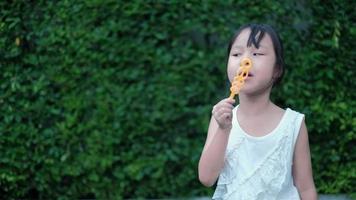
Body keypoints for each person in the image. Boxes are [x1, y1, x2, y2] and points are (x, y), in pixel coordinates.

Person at [198, 23, 317, 200]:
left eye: (257, 53)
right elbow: (207, 178)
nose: (245, 60)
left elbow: (306, 188)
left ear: (277, 69)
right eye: (236, 54)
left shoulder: (293, 124)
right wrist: (224, 129)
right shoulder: (220, 118)